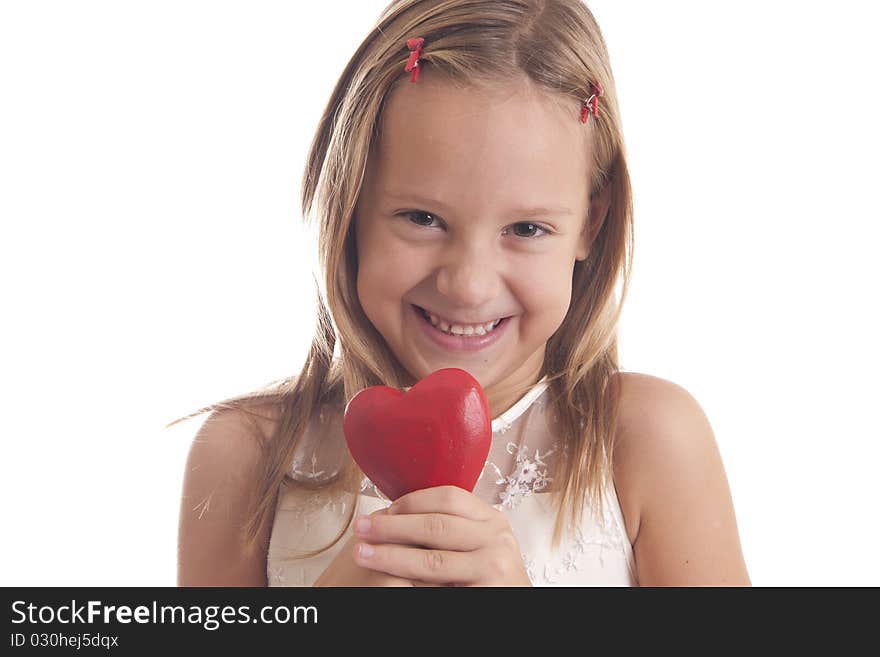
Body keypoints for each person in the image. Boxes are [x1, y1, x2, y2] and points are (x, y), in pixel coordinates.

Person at [170, 0, 751, 587]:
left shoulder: (648, 441)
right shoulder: (245, 456)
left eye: (526, 229)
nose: (469, 285)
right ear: (350, 206)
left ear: (590, 225)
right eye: (422, 218)